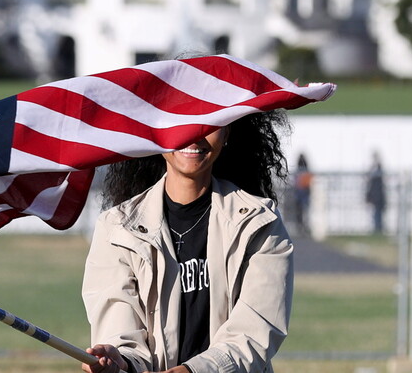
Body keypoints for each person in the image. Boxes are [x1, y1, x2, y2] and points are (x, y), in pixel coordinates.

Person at [81, 111, 294, 373]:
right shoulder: (116, 228)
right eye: (180, 119)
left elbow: (256, 330)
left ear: (227, 132)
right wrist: (121, 360)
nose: (194, 133)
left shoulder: (260, 223)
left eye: (210, 120)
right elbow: (121, 332)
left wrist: (193, 371)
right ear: (156, 133)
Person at [291, 153, 312, 237]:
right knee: (302, 212)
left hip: (301, 194)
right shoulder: (305, 171)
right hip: (303, 194)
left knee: (301, 213)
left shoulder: (298, 172)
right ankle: (302, 228)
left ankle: (301, 228)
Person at [365, 151, 386, 234]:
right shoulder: (374, 169)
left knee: (378, 214)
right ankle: (377, 229)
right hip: (375, 197)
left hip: (378, 197)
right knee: (376, 214)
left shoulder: (378, 168)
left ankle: (378, 229)